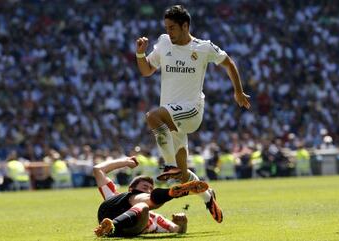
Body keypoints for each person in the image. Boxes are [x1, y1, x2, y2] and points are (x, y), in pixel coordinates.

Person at [135, 5, 251, 223]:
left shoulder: (203, 47)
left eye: (172, 28)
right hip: (171, 117)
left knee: (152, 116)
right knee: (182, 175)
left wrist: (237, 90)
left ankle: (169, 165)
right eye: (166, 27)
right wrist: (140, 52)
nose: (168, 31)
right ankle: (208, 197)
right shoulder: (164, 42)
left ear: (185, 26)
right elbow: (146, 70)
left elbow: (229, 63)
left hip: (191, 110)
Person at [93, 156, 208, 237]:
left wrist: (182, 224)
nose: (148, 190)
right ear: (131, 189)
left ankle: (112, 226)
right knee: (142, 203)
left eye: (150, 189)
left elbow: (177, 230)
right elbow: (98, 169)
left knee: (143, 206)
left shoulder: (155, 219)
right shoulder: (114, 196)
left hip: (126, 229)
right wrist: (126, 162)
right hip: (107, 213)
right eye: (144, 187)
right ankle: (171, 193)